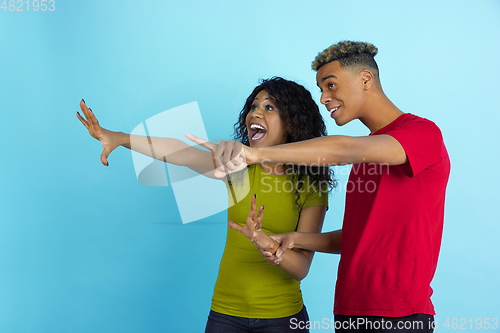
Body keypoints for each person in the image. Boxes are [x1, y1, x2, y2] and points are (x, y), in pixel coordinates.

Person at [190, 41, 451, 332]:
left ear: (365, 79)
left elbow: (342, 150)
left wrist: (256, 153)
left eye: (330, 85)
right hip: (350, 310)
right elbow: (360, 237)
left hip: (400, 315)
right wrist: (297, 239)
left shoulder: (421, 134)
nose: (324, 98)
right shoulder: (367, 156)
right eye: (321, 89)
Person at [76, 77, 334, 333]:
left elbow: (301, 268)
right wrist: (118, 137)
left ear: (292, 121)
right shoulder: (239, 168)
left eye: (269, 107)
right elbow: (183, 153)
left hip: (283, 319)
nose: (256, 113)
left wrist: (267, 245)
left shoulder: (311, 184)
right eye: (254, 106)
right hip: (226, 313)